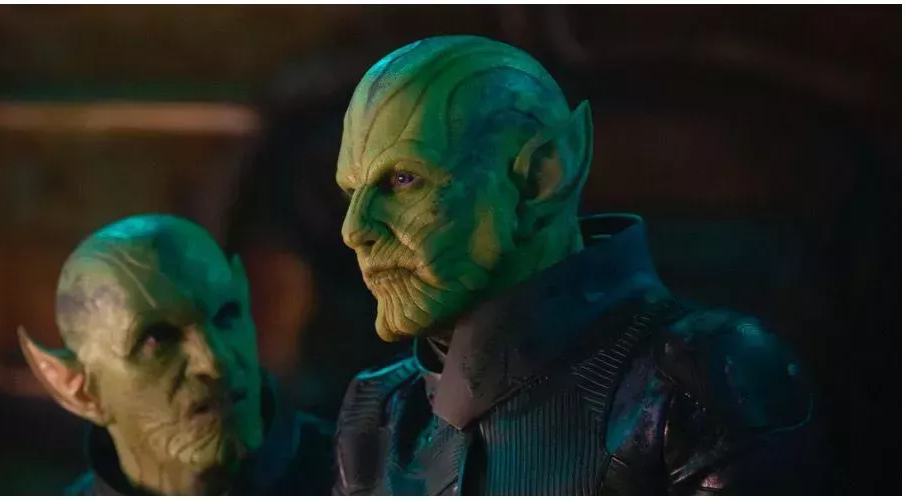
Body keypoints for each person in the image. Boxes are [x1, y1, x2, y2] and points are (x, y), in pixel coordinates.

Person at [331, 35, 819, 495]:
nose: (355, 230)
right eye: (352, 194)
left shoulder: (703, 378)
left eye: (403, 179)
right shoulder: (380, 410)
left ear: (543, 175)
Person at [18, 214, 333, 495]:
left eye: (226, 315)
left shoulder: (351, 476)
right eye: (158, 339)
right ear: (81, 391)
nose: (214, 361)